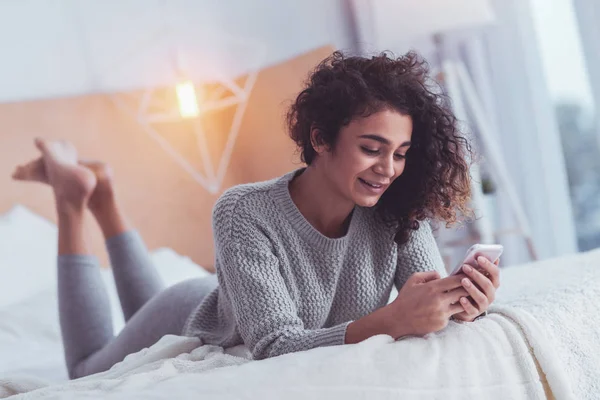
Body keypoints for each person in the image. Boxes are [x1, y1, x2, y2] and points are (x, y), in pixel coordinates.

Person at [12, 50, 500, 380]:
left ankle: (105, 197)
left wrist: (461, 301)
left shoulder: (396, 210)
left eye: (400, 153)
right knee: (84, 370)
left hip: (230, 296)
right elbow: (274, 345)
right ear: (320, 138)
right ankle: (74, 201)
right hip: (192, 315)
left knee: (137, 308)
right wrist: (393, 319)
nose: (388, 169)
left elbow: (423, 298)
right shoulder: (244, 210)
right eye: (372, 148)